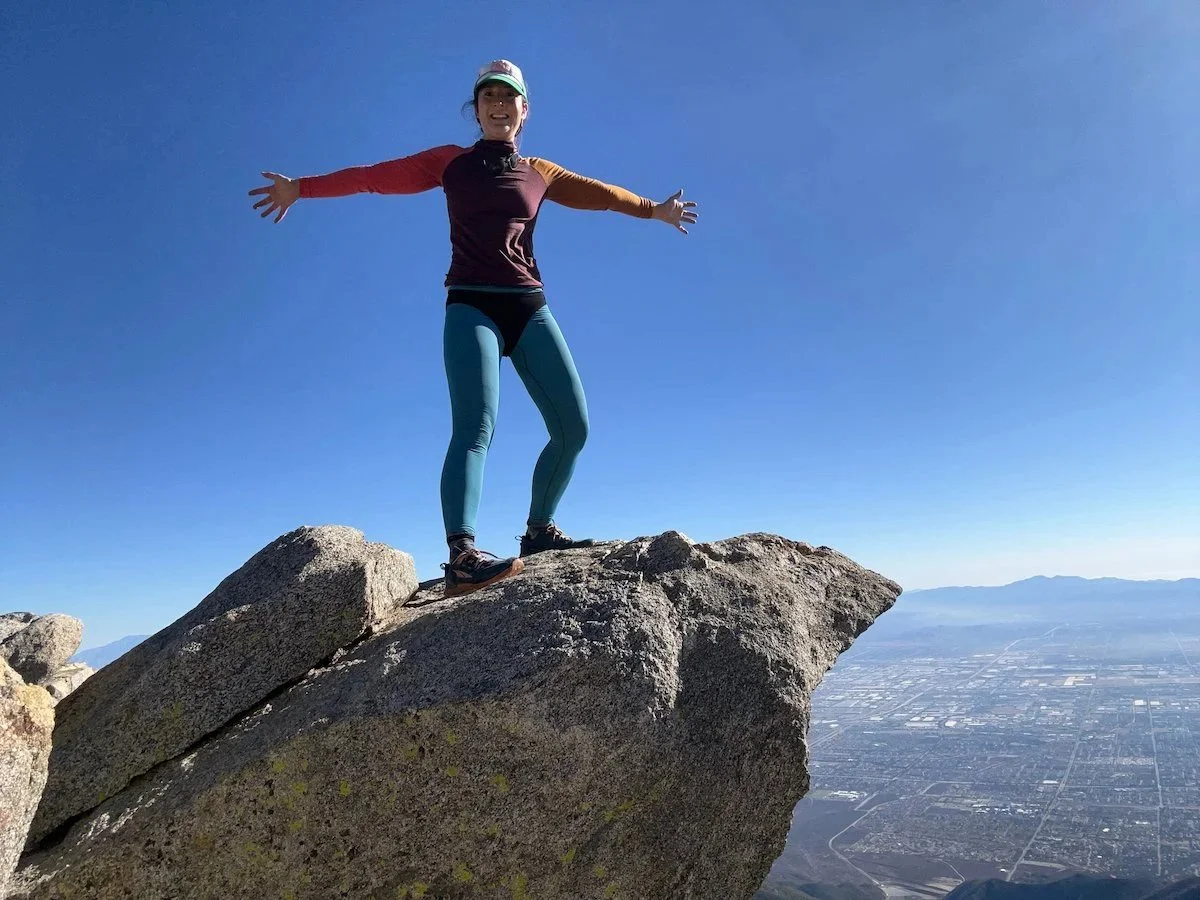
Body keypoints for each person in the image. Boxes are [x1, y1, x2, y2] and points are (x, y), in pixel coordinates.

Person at [249, 59, 699, 598]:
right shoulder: (450, 163)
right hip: (471, 307)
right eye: (488, 97)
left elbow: (601, 194)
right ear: (477, 108)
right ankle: (462, 554)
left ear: (524, 110)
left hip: (529, 307)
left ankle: (538, 533)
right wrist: (301, 188)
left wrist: (655, 211)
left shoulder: (541, 171)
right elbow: (373, 177)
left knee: (573, 428)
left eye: (509, 97)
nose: (498, 105)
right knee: (475, 427)